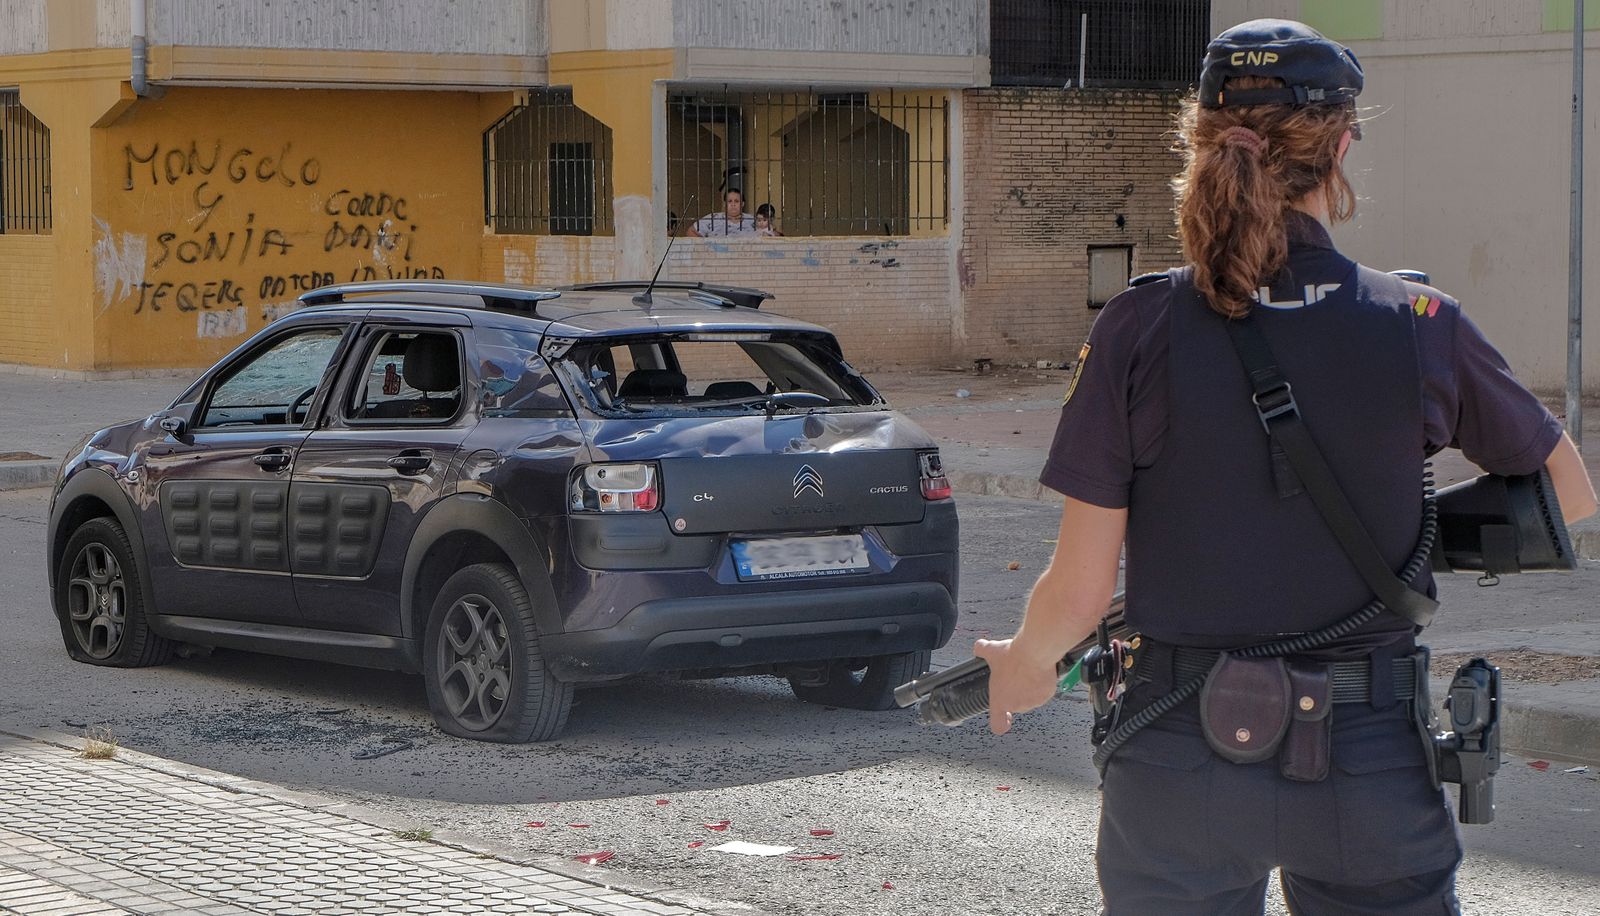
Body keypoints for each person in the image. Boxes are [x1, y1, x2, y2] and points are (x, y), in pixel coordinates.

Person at [973, 18, 1597, 915]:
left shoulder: (1138, 329)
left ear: (1200, 138)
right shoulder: (1418, 323)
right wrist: (1410, 537)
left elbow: (1077, 595)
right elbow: (1567, 494)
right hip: (1365, 761)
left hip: (1178, 759)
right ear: (1341, 147)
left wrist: (1026, 666)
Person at [685, 188, 756, 237]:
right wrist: (705, 248)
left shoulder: (752, 220)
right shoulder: (713, 218)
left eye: (736, 201)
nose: (733, 204)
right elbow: (691, 232)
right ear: (724, 204)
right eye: (730, 201)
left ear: (743, 204)